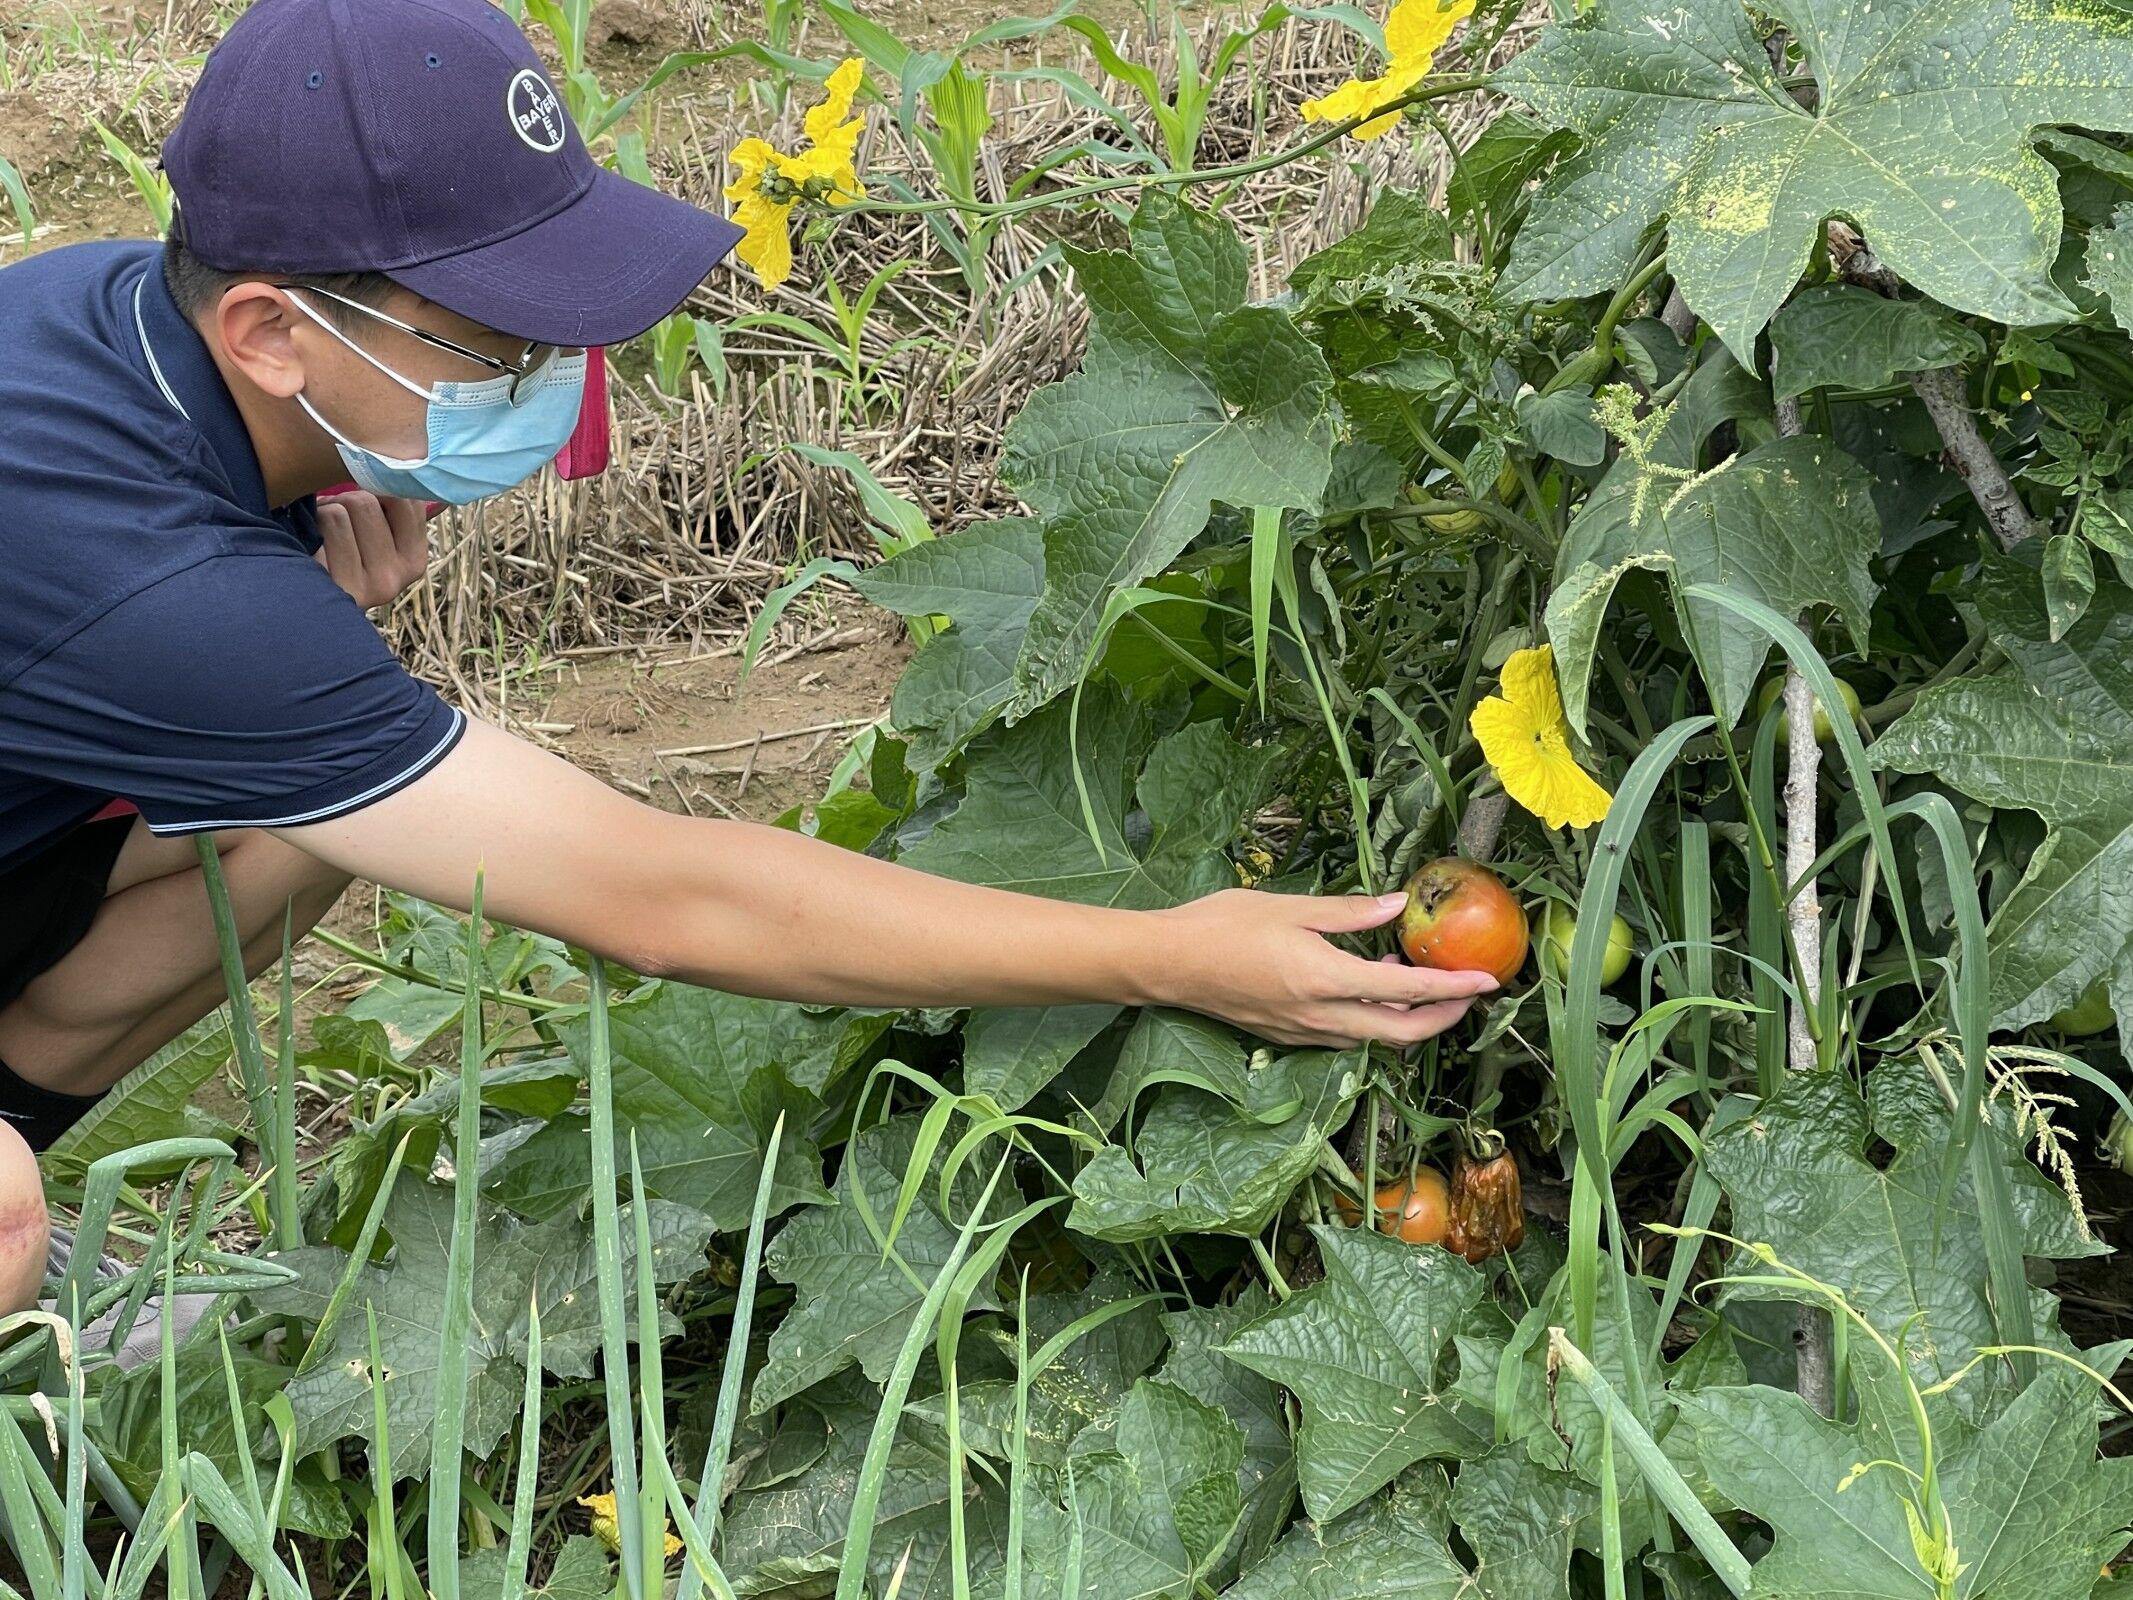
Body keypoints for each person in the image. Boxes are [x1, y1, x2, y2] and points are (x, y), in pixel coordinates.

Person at [0, 0, 1494, 1321]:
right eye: (502, 342)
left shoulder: (120, 325)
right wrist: (1160, 952)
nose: (553, 375)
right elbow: (660, 899)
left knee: (313, 821)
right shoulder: (149, 580)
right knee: (0, 1214)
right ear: (270, 330)